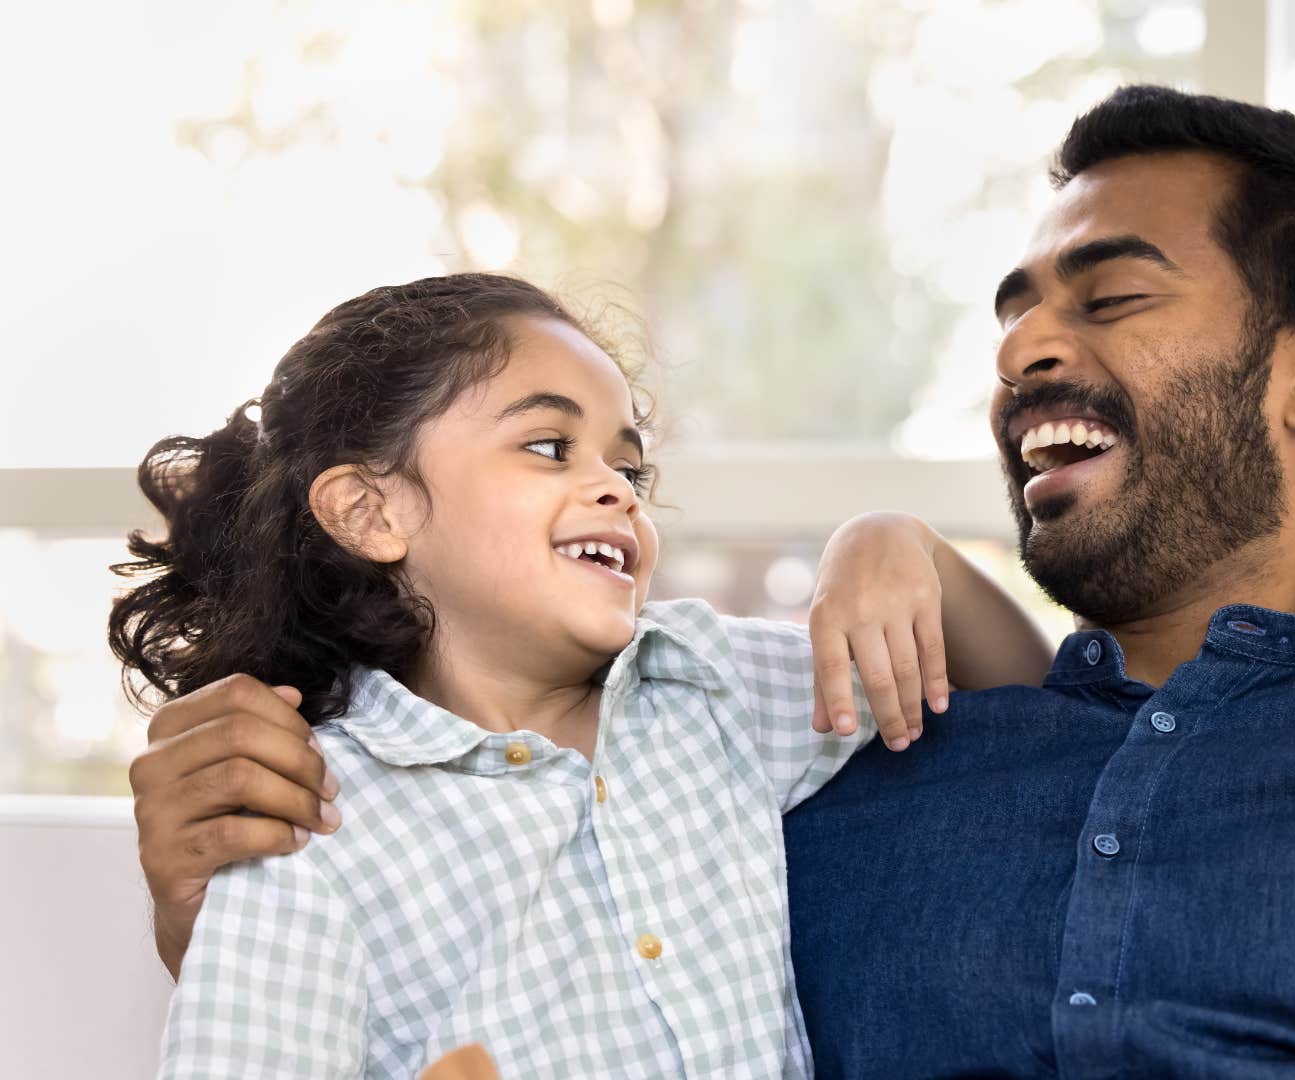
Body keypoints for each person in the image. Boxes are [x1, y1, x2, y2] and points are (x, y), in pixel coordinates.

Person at [129, 89, 1295, 1078]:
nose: (1031, 345)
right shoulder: (853, 761)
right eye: (1015, 313)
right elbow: (530, 900)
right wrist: (229, 880)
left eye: (1106, 299)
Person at [108, 273, 1049, 1077]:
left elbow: (1029, 707)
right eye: (550, 448)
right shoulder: (308, 823)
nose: (612, 488)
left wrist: (904, 545)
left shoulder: (715, 687)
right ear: (369, 511)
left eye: (629, 471)